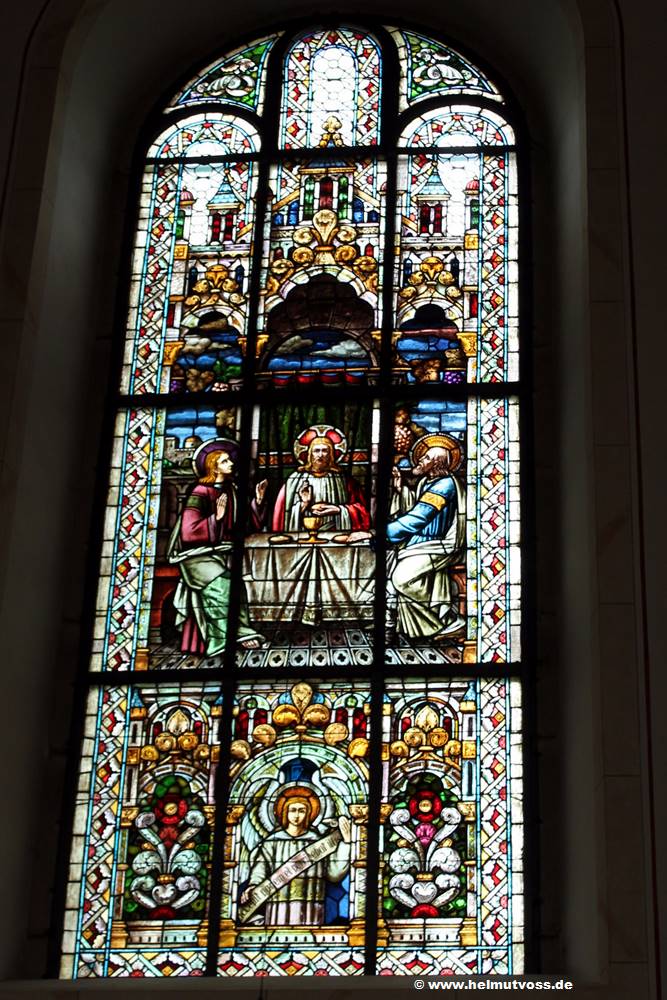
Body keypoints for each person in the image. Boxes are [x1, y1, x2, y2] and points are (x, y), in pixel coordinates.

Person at [167, 441, 266, 653]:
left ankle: (236, 631)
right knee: (223, 586)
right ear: (214, 467)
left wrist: (257, 502)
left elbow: (246, 525)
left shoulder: (232, 490)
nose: (231, 464)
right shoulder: (200, 492)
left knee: (237, 585)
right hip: (195, 556)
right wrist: (216, 519)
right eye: (225, 461)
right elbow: (189, 532)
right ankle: (224, 639)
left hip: (220, 552)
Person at [387, 433, 465, 640]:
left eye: (427, 457)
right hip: (419, 542)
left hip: (439, 544)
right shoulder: (426, 482)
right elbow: (415, 508)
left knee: (401, 578)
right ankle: (414, 627)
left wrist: (380, 533)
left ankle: (449, 619)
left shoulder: (445, 485)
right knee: (388, 574)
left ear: (437, 464)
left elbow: (420, 517)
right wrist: (401, 489)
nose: (421, 459)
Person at [239, 787, 351, 927]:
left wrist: (347, 843)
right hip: (278, 905)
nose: (296, 815)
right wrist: (253, 886)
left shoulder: (316, 842)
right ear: (285, 812)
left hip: (310, 905)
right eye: (292, 810)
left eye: (301, 810)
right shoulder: (272, 842)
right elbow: (260, 868)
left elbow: (334, 874)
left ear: (309, 813)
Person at [270, 424, 370, 533]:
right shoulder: (294, 480)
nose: (320, 455)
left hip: (337, 536)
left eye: (325, 450)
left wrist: (338, 509)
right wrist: (303, 504)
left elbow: (362, 512)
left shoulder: (344, 480)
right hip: (302, 535)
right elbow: (282, 515)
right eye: (316, 450)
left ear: (331, 454)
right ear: (310, 454)